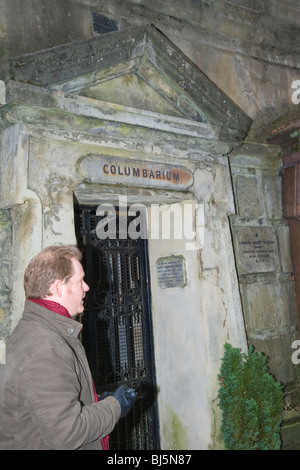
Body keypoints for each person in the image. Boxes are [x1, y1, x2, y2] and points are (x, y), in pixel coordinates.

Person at [0, 245, 137, 450]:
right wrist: (115, 406)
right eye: (80, 281)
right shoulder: (45, 347)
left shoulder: (39, 328)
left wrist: (97, 401)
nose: (87, 287)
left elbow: (49, 404)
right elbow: (67, 433)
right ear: (57, 287)